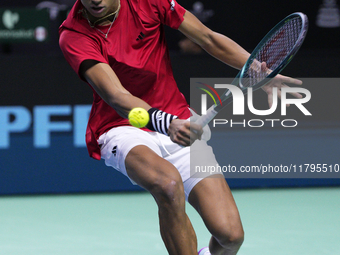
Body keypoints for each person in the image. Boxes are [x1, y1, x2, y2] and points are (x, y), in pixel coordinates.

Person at [59, 0, 302, 254]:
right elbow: (117, 97)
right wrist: (166, 122)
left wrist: (258, 73)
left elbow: (208, 39)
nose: (95, 0)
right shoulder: (74, 34)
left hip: (179, 120)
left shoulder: (147, 2)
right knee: (167, 184)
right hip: (123, 126)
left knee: (230, 237)